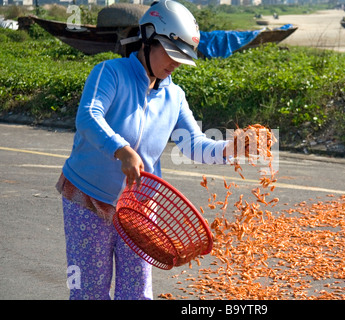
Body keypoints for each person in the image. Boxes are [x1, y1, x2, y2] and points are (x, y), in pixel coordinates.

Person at [56, 0, 237, 300]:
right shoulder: (109, 73)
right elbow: (89, 115)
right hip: (89, 198)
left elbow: (194, 145)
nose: (175, 64)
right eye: (171, 53)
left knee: (137, 291)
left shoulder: (175, 96)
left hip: (139, 207)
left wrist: (232, 149)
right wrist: (121, 149)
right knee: (88, 290)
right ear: (149, 38)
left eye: (182, 58)